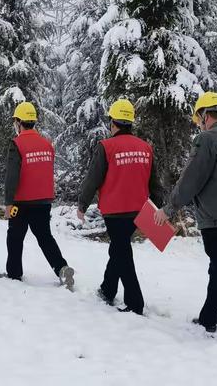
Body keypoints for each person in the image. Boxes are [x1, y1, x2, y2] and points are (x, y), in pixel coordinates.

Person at [155, 92, 217, 346]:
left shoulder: (207, 139)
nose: (199, 124)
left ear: (205, 115)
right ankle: (208, 317)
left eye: (199, 120)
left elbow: (191, 179)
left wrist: (169, 208)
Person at [77, 99, 164, 315]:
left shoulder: (106, 147)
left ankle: (135, 303)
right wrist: (161, 207)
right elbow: (154, 182)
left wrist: (82, 204)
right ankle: (107, 289)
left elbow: (93, 179)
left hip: (115, 211)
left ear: (113, 123)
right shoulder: (146, 148)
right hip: (138, 210)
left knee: (122, 251)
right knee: (119, 247)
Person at [3, 101, 74, 290]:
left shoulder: (16, 144)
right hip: (43, 201)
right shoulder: (46, 144)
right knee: (45, 237)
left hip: (21, 201)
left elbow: (12, 176)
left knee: (15, 237)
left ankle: (14, 273)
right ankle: (62, 268)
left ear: (18, 122)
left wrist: (9, 202)